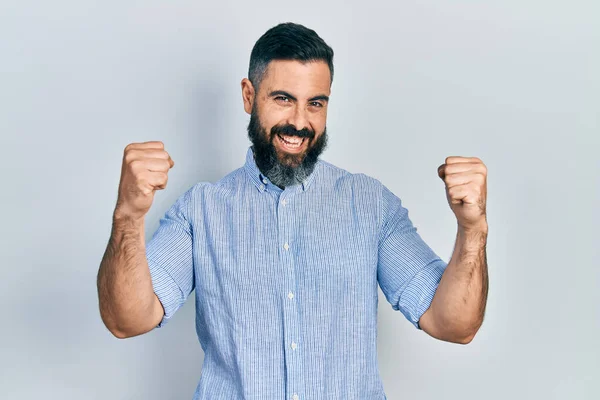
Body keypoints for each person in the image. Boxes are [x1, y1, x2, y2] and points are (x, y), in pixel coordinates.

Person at [97, 22, 489, 400]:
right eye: (283, 99)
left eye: (315, 103)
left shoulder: (370, 205)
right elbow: (126, 320)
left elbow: (453, 325)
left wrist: (472, 230)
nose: (299, 122)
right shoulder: (201, 211)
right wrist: (127, 216)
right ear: (249, 96)